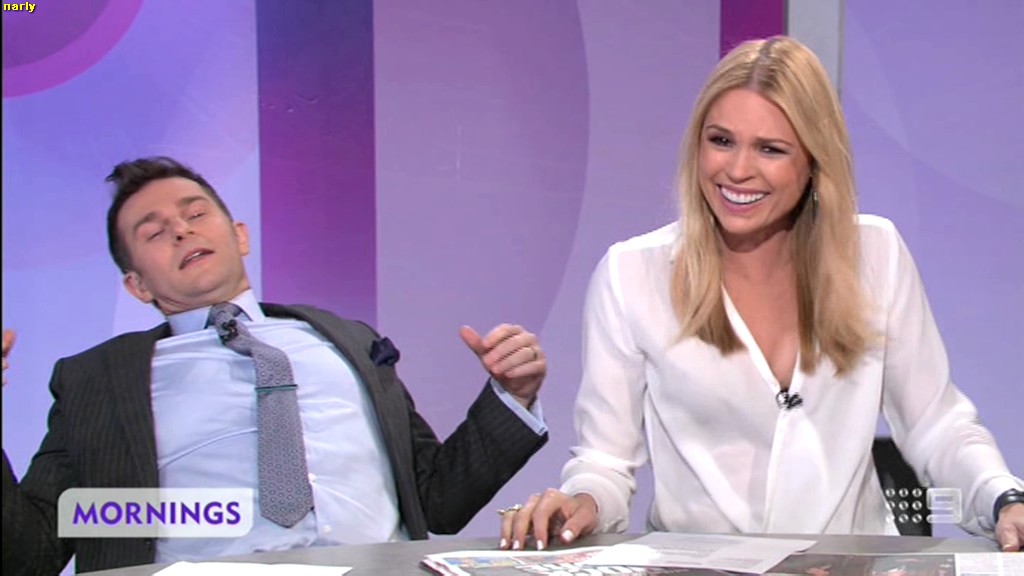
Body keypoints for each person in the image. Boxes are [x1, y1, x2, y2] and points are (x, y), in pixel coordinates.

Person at [497, 36, 1023, 552]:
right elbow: (606, 462)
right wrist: (582, 501)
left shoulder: (876, 255)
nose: (737, 170)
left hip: (848, 566)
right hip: (700, 568)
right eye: (721, 141)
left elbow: (935, 424)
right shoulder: (631, 274)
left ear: (814, 162)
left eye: (770, 149)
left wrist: (1004, 498)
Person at [1, 156, 550, 574]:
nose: (182, 230)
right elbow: (32, 552)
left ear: (239, 235)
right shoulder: (96, 381)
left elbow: (438, 501)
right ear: (137, 285)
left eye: (196, 213)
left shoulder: (347, 342)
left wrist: (512, 395)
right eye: (154, 231)